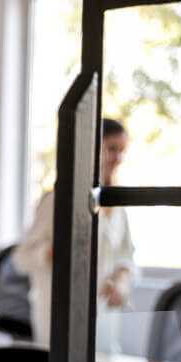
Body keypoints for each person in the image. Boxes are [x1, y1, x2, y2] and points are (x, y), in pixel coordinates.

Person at [13, 117, 136, 349]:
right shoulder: (58, 201)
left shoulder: (117, 203)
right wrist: (51, 252)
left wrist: (121, 280)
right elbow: (21, 258)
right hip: (60, 317)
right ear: (92, 148)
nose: (117, 159)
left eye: (122, 152)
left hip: (103, 320)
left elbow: (126, 256)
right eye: (111, 149)